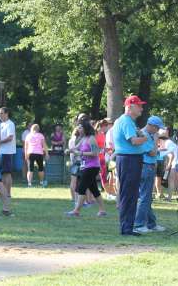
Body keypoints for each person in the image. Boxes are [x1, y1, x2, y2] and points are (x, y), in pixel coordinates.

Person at [113, 95, 148, 236]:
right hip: (129, 160)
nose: (141, 108)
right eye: (139, 105)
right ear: (130, 107)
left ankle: (127, 226)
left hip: (128, 159)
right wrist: (145, 138)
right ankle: (126, 228)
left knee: (130, 194)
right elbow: (134, 141)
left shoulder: (126, 121)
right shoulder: (126, 121)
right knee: (129, 194)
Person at [65, 119, 106, 217]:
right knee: (94, 189)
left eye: (80, 127)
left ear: (85, 128)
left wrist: (81, 153)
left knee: (81, 187)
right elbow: (76, 148)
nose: (78, 129)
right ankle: (102, 210)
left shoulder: (91, 138)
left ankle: (76, 211)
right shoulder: (83, 138)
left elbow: (95, 153)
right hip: (86, 166)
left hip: (92, 167)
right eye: (78, 127)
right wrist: (69, 150)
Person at [133, 116, 166, 233]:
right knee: (144, 197)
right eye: (157, 128)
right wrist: (156, 141)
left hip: (148, 166)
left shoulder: (149, 135)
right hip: (145, 167)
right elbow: (152, 153)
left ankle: (151, 223)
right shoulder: (145, 135)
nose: (158, 131)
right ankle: (139, 224)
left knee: (146, 197)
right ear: (151, 125)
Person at [0, 107, 16, 197]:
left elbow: (10, 138)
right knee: (2, 173)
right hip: (1, 152)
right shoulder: (1, 124)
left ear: (6, 113)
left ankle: (8, 193)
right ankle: (4, 193)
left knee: (7, 173)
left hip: (7, 152)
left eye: (1, 113)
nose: (0, 115)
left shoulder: (10, 124)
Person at [68, 125, 84, 203]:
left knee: (73, 181)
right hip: (81, 161)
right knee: (80, 182)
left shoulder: (71, 140)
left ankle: (73, 198)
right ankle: (80, 199)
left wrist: (71, 160)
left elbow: (71, 152)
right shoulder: (82, 139)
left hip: (74, 161)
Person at [163, 129, 178, 201]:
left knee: (171, 180)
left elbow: (171, 155)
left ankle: (169, 198)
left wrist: (168, 165)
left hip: (175, 163)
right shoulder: (170, 142)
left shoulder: (167, 143)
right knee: (176, 181)